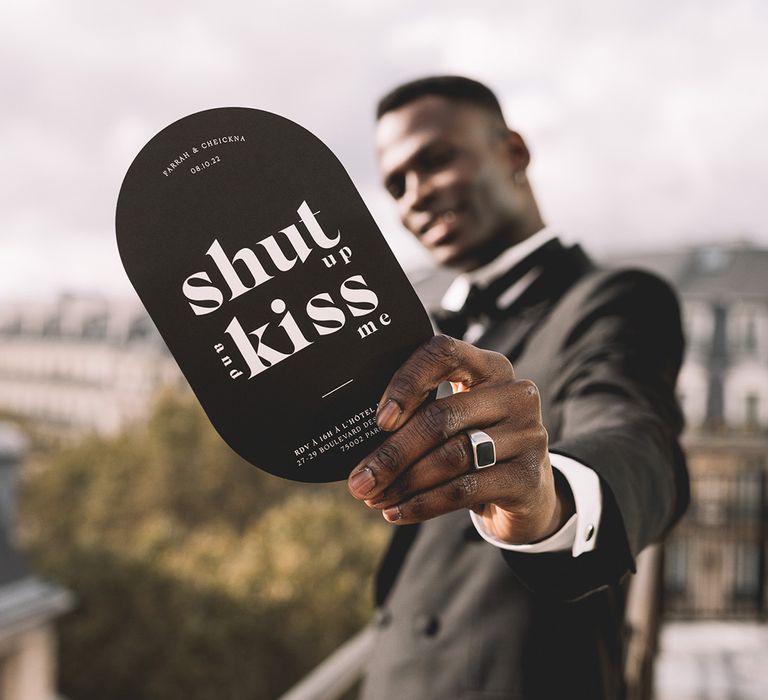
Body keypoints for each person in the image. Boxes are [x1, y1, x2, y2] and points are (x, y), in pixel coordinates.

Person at [346, 76, 689, 700]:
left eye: (436, 159)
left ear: (514, 152)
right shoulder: (414, 325)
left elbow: (637, 436)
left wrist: (549, 499)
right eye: (396, 183)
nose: (415, 194)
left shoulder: (616, 301)